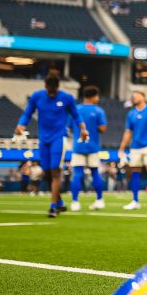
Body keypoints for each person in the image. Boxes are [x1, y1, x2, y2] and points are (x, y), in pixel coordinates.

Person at [15, 73, 88, 218]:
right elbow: (28, 113)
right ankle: (59, 202)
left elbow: (76, 115)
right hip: (44, 139)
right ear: (46, 87)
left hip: (59, 138)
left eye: (54, 91)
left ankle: (53, 206)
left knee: (55, 172)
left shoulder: (67, 97)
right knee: (47, 173)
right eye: (50, 91)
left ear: (58, 87)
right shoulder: (37, 96)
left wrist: (83, 129)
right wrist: (21, 125)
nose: (52, 94)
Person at [68, 85, 108, 212]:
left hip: (78, 146)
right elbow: (103, 128)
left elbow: (69, 128)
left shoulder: (75, 109)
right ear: (93, 96)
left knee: (77, 174)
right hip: (93, 146)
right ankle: (99, 200)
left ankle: (75, 202)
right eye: (97, 96)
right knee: (95, 172)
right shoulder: (98, 110)